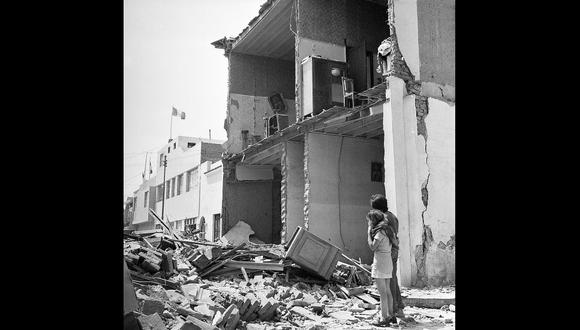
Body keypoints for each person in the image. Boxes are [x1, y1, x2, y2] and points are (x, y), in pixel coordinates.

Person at [370, 194, 405, 319]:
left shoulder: (385, 219)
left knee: (388, 284)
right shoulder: (391, 216)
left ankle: (393, 311)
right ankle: (397, 308)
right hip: (392, 251)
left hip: (388, 253)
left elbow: (384, 238)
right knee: (391, 280)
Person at [367, 209, 396, 327]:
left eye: (369, 220)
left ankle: (384, 318)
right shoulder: (388, 230)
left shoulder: (379, 233)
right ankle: (391, 315)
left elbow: (372, 247)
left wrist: (368, 234)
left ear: (373, 221)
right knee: (387, 290)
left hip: (380, 263)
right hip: (388, 262)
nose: (368, 223)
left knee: (382, 293)